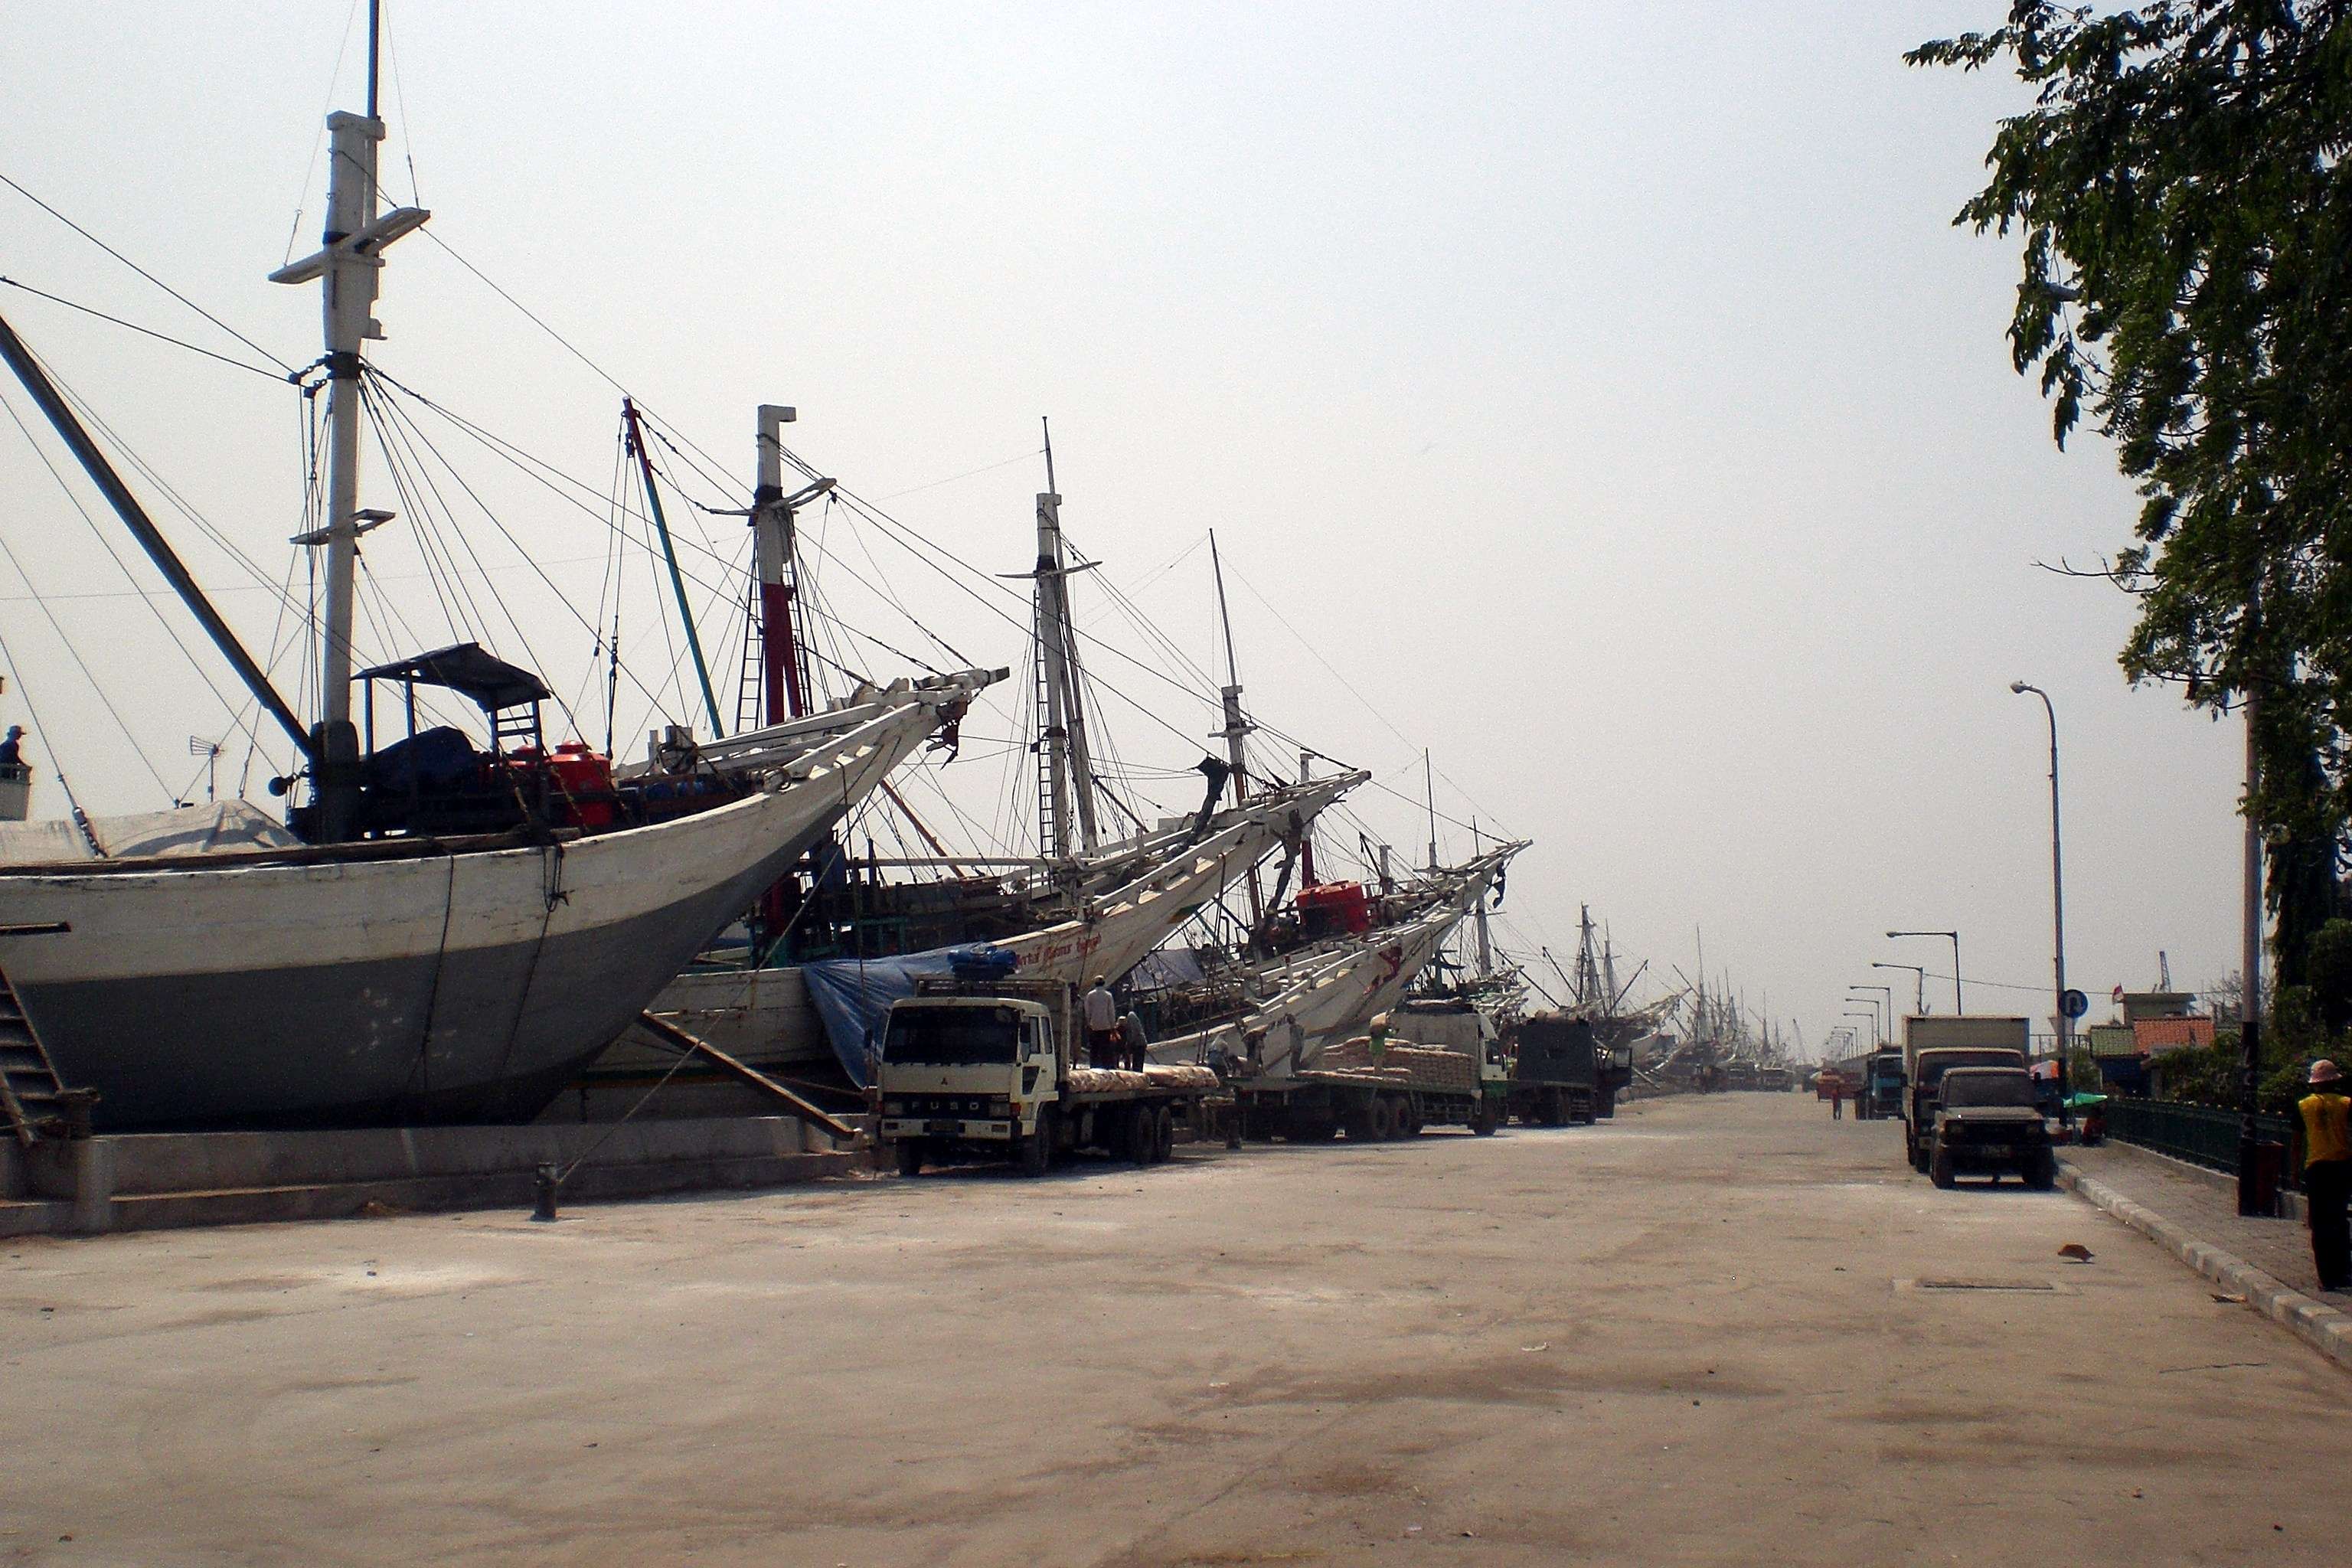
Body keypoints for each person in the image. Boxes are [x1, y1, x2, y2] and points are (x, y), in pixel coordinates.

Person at [2299, 1059, 2351, 1292]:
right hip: (2341, 1167)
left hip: (2316, 1168)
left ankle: (2325, 1276)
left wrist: (2293, 1171)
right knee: (2339, 1220)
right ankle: (2342, 1271)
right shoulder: (2346, 1103)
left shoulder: (2303, 1105)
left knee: (2319, 1224)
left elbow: (2296, 1142)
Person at [1082, 975, 1120, 1070]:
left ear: (1095, 984)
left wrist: (1088, 1023)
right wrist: (1113, 1027)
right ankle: (1106, 1068)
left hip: (1094, 1026)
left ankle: (1094, 1068)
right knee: (1106, 1050)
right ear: (1104, 984)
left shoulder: (1090, 995)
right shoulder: (1108, 995)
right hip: (1106, 1027)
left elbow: (1087, 1011)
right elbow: (1111, 1012)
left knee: (1094, 1050)